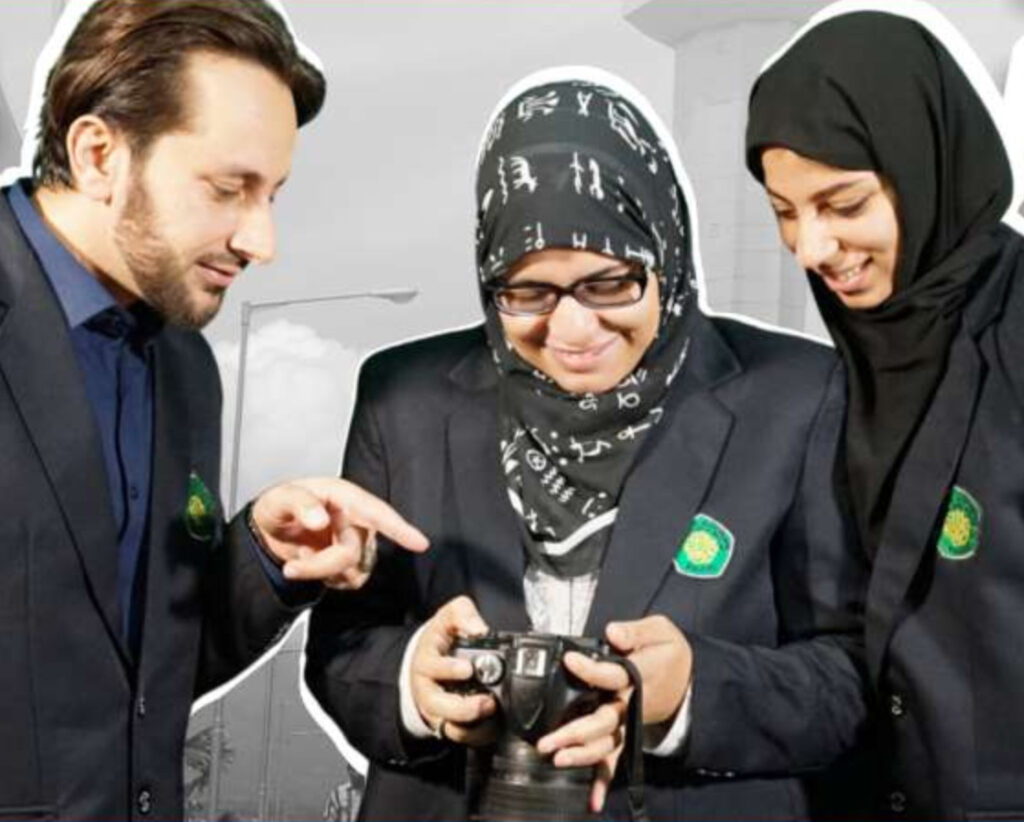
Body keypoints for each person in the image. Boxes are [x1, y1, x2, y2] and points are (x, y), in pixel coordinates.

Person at [305, 67, 869, 821]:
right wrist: (414, 682)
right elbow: (341, 650)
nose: (571, 330)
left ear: (665, 254)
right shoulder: (403, 399)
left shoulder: (796, 398)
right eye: (527, 293)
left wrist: (689, 695)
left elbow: (849, 676)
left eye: (609, 285)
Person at [0, 1, 428, 819]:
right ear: (99, 155)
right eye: (229, 190)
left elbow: (136, 686)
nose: (261, 241)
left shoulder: (186, 366)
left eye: (272, 195)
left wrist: (264, 554)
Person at [745, 3, 1024, 818]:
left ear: (926, 159)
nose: (811, 249)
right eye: (784, 212)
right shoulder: (831, 369)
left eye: (844, 204)